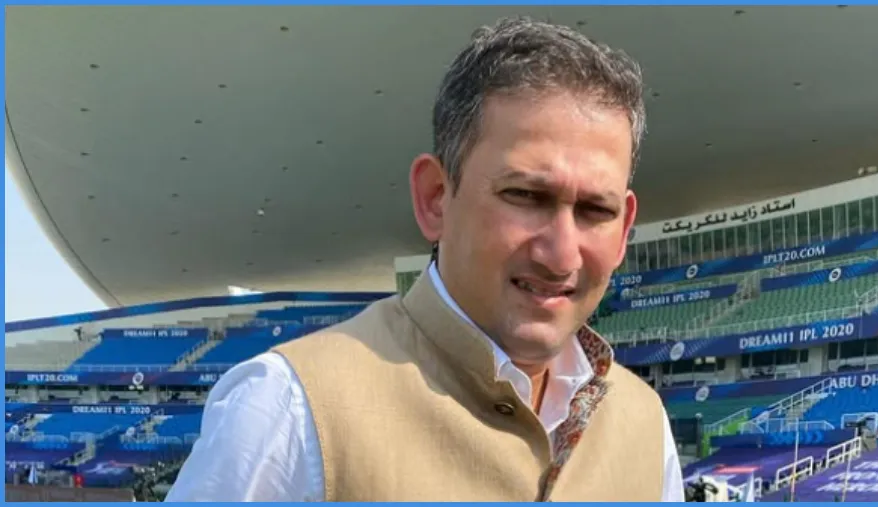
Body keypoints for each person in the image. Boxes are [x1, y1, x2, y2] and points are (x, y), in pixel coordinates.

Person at [166, 16, 683, 502]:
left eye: (596, 210)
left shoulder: (645, 424)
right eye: (525, 196)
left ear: (623, 231)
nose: (561, 254)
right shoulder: (287, 410)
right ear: (436, 197)